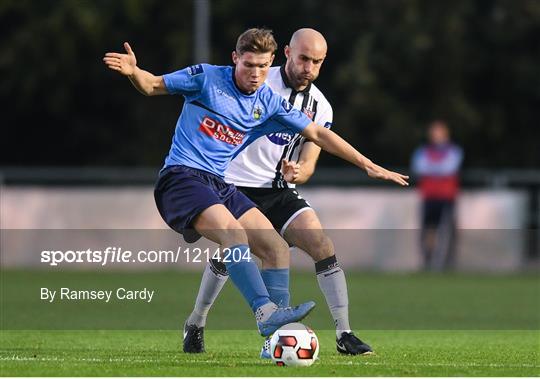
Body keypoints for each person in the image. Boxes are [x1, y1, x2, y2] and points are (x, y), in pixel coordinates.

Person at [103, 27, 408, 345]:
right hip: (182, 178)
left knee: (275, 248)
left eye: (262, 66)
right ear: (235, 59)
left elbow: (318, 135)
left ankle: (278, 339)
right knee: (234, 235)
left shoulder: (268, 100)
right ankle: (264, 312)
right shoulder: (207, 78)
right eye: (249, 65)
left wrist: (367, 164)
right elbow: (152, 85)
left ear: (271, 62)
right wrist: (133, 72)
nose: (255, 73)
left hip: (220, 184)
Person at [184, 28, 373, 358]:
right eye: (303, 59)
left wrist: (299, 171)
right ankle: (196, 323)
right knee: (231, 254)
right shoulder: (256, 76)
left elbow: (310, 160)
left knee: (321, 244)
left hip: (278, 189)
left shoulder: (321, 108)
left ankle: (345, 333)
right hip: (233, 183)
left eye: (317, 62)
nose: (308, 68)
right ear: (285, 53)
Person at [411, 120, 463, 270]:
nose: (436, 136)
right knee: (429, 230)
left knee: (447, 230)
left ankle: (447, 263)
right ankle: (428, 261)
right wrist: (438, 169)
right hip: (429, 196)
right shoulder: (423, 151)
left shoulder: (454, 151)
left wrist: (431, 168)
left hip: (447, 197)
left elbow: (449, 168)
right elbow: (419, 167)